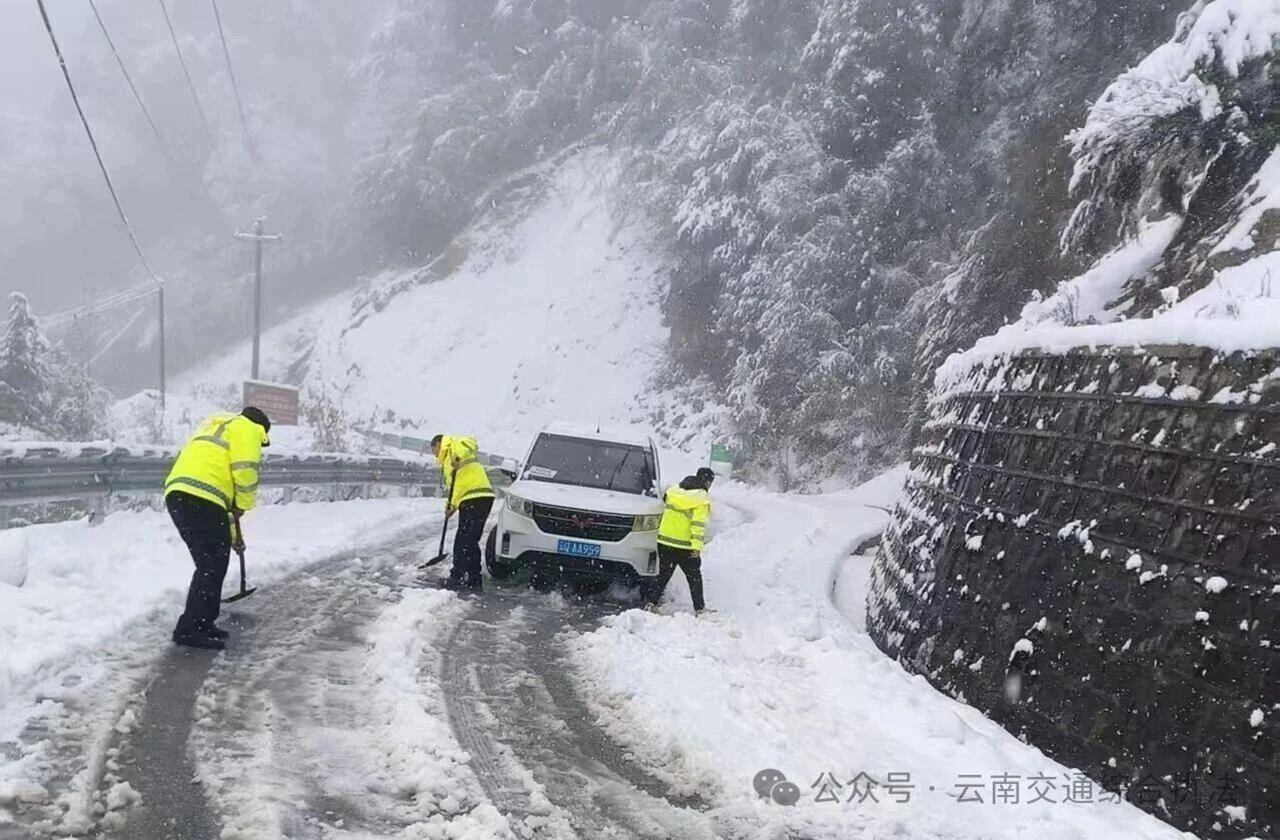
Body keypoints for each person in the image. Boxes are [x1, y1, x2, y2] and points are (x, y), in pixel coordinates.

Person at [164, 407, 271, 650]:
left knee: (209, 562)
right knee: (211, 563)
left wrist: (233, 537)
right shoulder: (249, 430)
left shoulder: (216, 423)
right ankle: (190, 629)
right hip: (203, 498)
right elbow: (244, 471)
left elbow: (223, 499)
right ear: (261, 429)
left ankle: (201, 623)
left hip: (179, 494)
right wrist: (243, 505)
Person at [431, 433, 495, 592]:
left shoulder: (453, 445)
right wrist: (450, 506)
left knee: (463, 540)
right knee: (471, 540)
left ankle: (457, 577)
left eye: (434, 450)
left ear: (439, 444)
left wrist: (457, 455)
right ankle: (474, 579)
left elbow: (470, 442)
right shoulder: (447, 463)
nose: (435, 454)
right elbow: (456, 486)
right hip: (482, 497)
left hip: (474, 496)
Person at [648, 468, 714, 613]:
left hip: (664, 541)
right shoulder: (701, 498)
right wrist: (696, 547)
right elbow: (697, 525)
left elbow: (664, 500)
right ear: (707, 482)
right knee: (694, 577)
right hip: (684, 545)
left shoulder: (674, 490)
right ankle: (700, 608)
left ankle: (651, 602)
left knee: (664, 574)